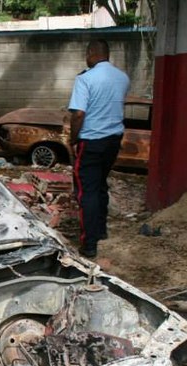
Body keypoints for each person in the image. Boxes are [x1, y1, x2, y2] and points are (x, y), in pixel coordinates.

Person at [68, 39, 130, 259]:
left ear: (92, 53)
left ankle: (89, 243)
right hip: (113, 141)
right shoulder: (122, 77)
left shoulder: (85, 79)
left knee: (87, 191)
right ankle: (101, 231)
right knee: (101, 184)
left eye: (87, 54)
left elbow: (78, 114)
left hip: (91, 141)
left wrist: (72, 139)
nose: (86, 58)